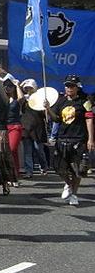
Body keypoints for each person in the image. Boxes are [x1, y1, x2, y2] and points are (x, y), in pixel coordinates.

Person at [45, 74, 95, 206]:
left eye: (72, 86)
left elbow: (89, 119)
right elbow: (56, 119)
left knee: (78, 169)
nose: (69, 88)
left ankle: (74, 194)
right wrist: (48, 109)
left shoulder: (84, 101)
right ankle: (68, 184)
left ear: (77, 87)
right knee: (59, 167)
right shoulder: (61, 101)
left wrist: (91, 139)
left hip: (78, 139)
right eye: (67, 85)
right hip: (62, 138)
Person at [18, 79, 48, 177]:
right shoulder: (24, 99)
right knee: (27, 151)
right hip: (26, 127)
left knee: (39, 149)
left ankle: (43, 167)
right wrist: (19, 85)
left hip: (37, 128)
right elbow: (20, 99)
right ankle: (29, 171)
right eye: (27, 88)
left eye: (30, 87)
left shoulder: (40, 99)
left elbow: (44, 114)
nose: (28, 89)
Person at [4, 79, 24, 184]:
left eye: (10, 86)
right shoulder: (3, 99)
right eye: (6, 86)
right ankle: (11, 176)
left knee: (12, 149)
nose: (8, 88)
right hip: (4, 126)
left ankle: (15, 175)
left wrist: (17, 85)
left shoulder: (16, 100)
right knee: (7, 152)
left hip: (15, 126)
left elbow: (22, 98)